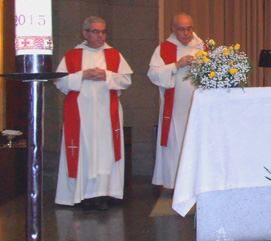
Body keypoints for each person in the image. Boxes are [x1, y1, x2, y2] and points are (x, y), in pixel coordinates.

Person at [55, 16, 133, 210]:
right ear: (85, 33)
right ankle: (82, 195)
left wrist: (106, 75)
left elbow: (126, 81)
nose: (100, 36)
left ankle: (105, 194)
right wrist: (82, 75)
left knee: (105, 152)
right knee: (84, 151)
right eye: (96, 32)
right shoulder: (72, 56)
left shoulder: (114, 55)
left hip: (107, 114)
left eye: (103, 32)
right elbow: (60, 82)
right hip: (81, 114)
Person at [148, 13, 204, 189]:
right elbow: (153, 74)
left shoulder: (203, 47)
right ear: (173, 29)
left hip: (199, 107)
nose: (186, 33)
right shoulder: (164, 49)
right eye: (181, 29)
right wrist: (176, 65)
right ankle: (176, 185)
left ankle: (198, 184)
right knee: (175, 142)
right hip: (175, 107)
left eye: (189, 29)